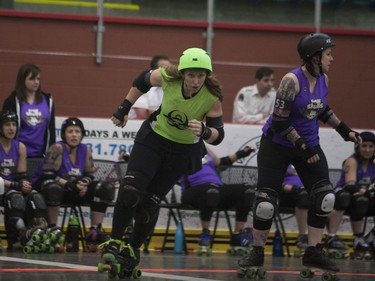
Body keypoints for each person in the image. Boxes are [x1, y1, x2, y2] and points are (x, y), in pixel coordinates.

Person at [237, 32, 362, 277]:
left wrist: (344, 130)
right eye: (327, 54)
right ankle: (257, 251)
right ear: (313, 57)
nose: (331, 59)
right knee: (265, 203)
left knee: (326, 196)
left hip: (308, 144)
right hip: (277, 145)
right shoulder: (290, 81)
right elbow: (280, 122)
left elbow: (322, 109)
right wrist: (303, 148)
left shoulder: (324, 78)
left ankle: (313, 251)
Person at [99, 47, 224, 278]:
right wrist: (124, 107)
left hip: (182, 151)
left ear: (207, 75)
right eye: (191, 75)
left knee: (148, 206)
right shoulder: (168, 76)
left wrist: (206, 131)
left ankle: (132, 249)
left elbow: (219, 134)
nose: (196, 81)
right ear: (183, 73)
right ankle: (115, 242)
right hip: (154, 140)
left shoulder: (212, 96)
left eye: (201, 75)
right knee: (129, 191)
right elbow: (141, 80)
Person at [32, 117, 115, 252]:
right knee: (54, 188)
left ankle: (94, 233)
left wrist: (84, 184)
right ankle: (54, 232)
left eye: (77, 131)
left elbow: (89, 174)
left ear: (82, 134)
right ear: (64, 134)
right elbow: (47, 173)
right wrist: (70, 184)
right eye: (70, 131)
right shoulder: (57, 148)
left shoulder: (85, 150)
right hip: (54, 190)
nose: (74, 135)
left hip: (74, 190)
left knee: (105, 188)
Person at [180, 145, 255, 255]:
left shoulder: (203, 147)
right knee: (211, 192)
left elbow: (220, 162)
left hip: (216, 188)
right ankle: (205, 234)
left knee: (247, 191)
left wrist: (242, 153)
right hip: (192, 190)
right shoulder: (179, 148)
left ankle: (237, 235)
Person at [0, 110, 49, 251]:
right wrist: (16, 185)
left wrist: (24, 184)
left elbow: (22, 174)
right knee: (16, 197)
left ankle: (40, 233)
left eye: (14, 125)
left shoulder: (20, 147)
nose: (11, 128)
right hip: (2, 187)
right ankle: (20, 235)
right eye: (7, 125)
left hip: (12, 186)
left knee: (35, 196)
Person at [325, 131, 375, 260]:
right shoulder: (351, 161)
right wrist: (367, 190)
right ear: (357, 147)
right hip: (344, 197)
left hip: (362, 199)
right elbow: (350, 185)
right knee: (357, 199)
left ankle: (371, 237)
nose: (367, 150)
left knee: (363, 199)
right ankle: (332, 237)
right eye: (364, 146)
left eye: (371, 146)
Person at [2, 63, 56, 159]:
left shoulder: (48, 101)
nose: (36, 82)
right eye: (32, 79)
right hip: (17, 155)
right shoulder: (12, 101)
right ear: (22, 80)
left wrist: (50, 154)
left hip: (41, 156)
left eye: (38, 79)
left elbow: (50, 130)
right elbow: (4, 129)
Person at [128, 55, 171, 119]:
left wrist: (153, 111)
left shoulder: (172, 89)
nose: (168, 72)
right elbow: (142, 114)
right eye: (164, 69)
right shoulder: (144, 87)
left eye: (169, 69)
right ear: (154, 71)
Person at [280, 164, 309, 255]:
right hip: (286, 193)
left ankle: (329, 238)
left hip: (306, 191)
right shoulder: (280, 159)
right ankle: (302, 236)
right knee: (303, 196)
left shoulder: (304, 159)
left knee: (326, 198)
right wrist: (287, 187)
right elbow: (271, 179)